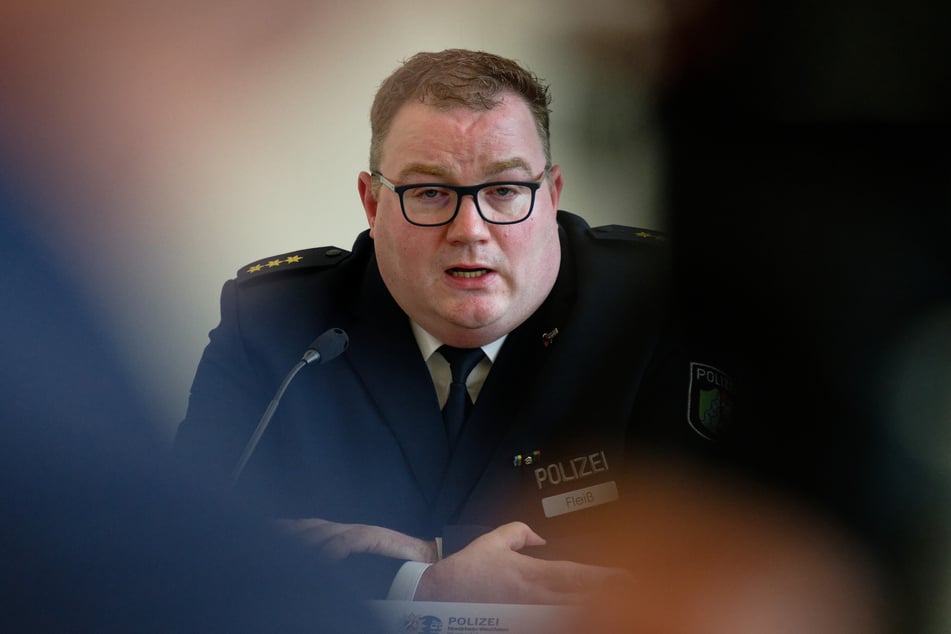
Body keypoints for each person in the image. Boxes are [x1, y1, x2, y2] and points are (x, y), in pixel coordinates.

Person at [174, 48, 738, 604]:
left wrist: (432, 555)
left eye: (505, 190)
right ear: (372, 206)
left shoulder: (658, 305)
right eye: (429, 192)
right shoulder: (278, 326)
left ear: (552, 195)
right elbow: (181, 544)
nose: (470, 229)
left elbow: (720, 550)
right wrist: (416, 585)